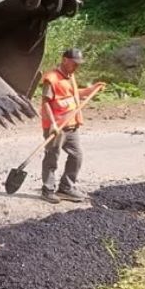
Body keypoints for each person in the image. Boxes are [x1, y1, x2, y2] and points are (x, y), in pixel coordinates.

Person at [39, 48, 105, 203]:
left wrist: (91, 89)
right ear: (65, 60)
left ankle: (66, 188)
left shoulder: (70, 76)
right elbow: (45, 103)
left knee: (77, 156)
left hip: (71, 125)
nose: (77, 66)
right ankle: (47, 190)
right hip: (56, 127)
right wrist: (53, 125)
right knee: (52, 158)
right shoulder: (51, 78)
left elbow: (74, 94)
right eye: (74, 63)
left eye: (79, 64)